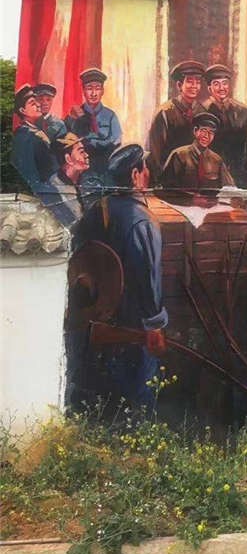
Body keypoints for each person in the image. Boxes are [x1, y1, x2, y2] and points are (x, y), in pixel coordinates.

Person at [74, 144, 168, 409]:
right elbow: (149, 277)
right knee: (141, 393)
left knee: (107, 393)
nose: (148, 173)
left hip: (99, 318)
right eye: (144, 169)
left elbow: (81, 258)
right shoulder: (143, 221)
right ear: (135, 175)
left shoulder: (99, 209)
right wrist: (154, 325)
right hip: (135, 327)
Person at [147, 60, 206, 183]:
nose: (194, 86)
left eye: (198, 82)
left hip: (195, 178)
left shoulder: (202, 111)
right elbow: (155, 154)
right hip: (170, 178)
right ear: (179, 85)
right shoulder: (165, 112)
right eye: (190, 81)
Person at [201, 64, 247, 187]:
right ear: (209, 88)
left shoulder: (245, 112)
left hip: (241, 176)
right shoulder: (200, 112)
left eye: (224, 83)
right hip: (211, 175)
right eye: (216, 84)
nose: (221, 88)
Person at [64, 69, 122, 180]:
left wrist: (90, 142)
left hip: (105, 170)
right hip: (81, 171)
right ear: (83, 90)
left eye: (97, 88)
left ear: (103, 91)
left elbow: (116, 142)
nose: (93, 93)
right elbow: (67, 143)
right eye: (89, 88)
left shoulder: (110, 116)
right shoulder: (74, 115)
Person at [158, 112, 235, 194]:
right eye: (203, 131)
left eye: (211, 133)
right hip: (182, 201)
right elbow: (165, 186)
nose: (207, 136)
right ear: (195, 131)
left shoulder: (217, 160)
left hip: (210, 202)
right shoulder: (179, 155)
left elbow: (229, 187)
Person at [42, 133, 95, 230]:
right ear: (68, 159)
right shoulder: (54, 189)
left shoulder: (86, 181)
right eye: (81, 152)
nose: (87, 155)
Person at [10, 85, 55, 193]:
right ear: (23, 110)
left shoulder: (36, 132)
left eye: (37, 102)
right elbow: (28, 171)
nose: (39, 105)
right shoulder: (25, 136)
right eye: (33, 103)